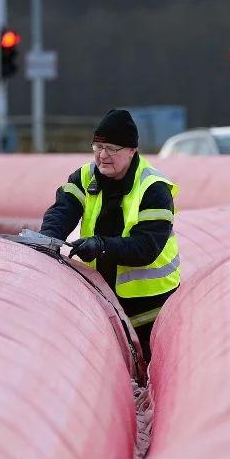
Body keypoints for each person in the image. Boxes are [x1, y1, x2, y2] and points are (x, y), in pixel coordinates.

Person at [38, 109, 180, 361]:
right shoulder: (84, 177)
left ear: (131, 150)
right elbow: (62, 211)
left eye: (111, 148)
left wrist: (102, 246)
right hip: (104, 296)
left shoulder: (153, 189)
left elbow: (146, 248)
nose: (102, 156)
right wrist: (46, 240)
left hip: (151, 307)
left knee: (150, 369)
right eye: (98, 146)